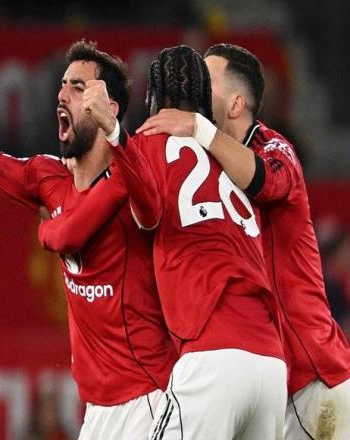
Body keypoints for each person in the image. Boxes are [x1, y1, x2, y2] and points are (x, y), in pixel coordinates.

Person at [0, 42, 178, 439]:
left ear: (107, 107)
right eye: (63, 84)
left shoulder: (134, 178)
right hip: (97, 410)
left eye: (78, 87)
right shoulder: (47, 177)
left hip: (148, 397)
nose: (62, 94)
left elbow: (145, 205)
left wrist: (116, 139)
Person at [61, 45, 287, 439]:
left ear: (151, 98)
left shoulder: (144, 148)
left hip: (212, 357)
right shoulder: (230, 153)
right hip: (270, 365)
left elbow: (104, 215)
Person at [136, 43, 350, 439]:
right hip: (272, 378)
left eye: (208, 80)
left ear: (236, 104)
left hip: (314, 378)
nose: (197, 87)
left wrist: (198, 127)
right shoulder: (202, 160)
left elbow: (266, 182)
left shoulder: (274, 147)